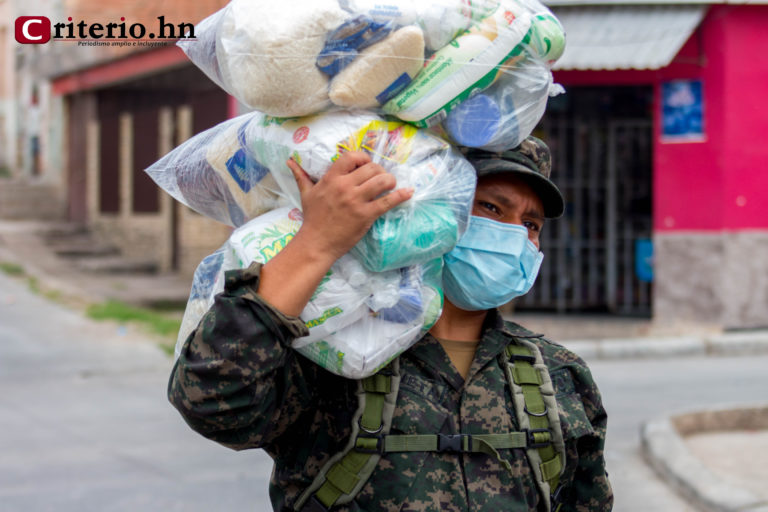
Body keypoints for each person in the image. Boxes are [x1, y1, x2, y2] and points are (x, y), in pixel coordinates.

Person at [168, 136, 613, 511]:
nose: (515, 235)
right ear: (435, 205)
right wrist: (317, 242)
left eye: (531, 224)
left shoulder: (558, 373)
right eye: (493, 209)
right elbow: (213, 403)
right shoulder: (337, 352)